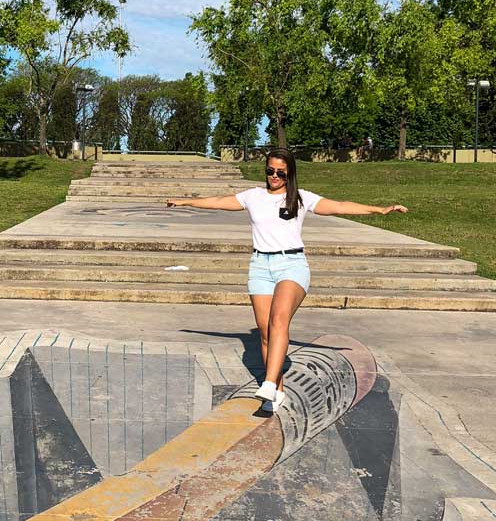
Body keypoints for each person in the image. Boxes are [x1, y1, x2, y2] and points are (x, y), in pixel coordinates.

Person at [167, 147, 407, 413]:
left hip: (292, 265)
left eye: (280, 172)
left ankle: (269, 382)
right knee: (266, 331)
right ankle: (276, 392)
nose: (274, 176)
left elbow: (339, 206)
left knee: (278, 320)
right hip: (260, 266)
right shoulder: (253, 196)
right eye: (270, 171)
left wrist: (379, 210)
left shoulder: (301, 199)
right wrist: (185, 201)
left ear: (290, 173)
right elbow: (218, 201)